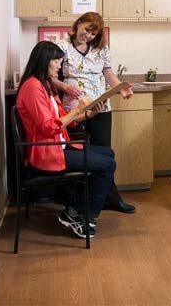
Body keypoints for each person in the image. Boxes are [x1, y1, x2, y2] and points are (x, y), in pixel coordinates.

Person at [16, 41, 116, 239]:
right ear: (45, 61)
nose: (60, 66)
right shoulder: (32, 87)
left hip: (57, 145)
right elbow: (48, 126)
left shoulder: (45, 86)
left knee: (108, 154)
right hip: (46, 152)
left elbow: (66, 122)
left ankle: (75, 210)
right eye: (57, 62)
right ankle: (83, 216)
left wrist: (88, 114)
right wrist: (78, 110)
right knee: (107, 165)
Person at [54, 12, 136, 214]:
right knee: (80, 154)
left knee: (104, 154)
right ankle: (78, 201)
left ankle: (111, 198)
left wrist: (121, 88)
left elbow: (109, 74)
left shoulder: (101, 49)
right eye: (87, 30)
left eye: (93, 33)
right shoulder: (62, 46)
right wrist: (65, 87)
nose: (89, 35)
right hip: (75, 111)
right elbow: (51, 76)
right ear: (79, 23)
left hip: (101, 108)